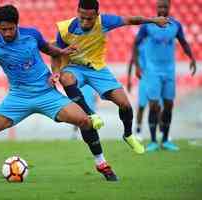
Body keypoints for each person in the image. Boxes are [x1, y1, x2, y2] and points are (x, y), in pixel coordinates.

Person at [0, 4, 117, 182]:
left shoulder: (32, 34)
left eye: (10, 29)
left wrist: (61, 52)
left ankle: (101, 163)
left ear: (17, 24)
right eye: (3, 29)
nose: (7, 33)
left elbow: (48, 49)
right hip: (18, 98)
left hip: (46, 94)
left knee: (85, 120)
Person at [51, 0, 169, 161]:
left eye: (89, 19)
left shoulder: (104, 21)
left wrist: (154, 20)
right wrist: (56, 72)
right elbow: (56, 54)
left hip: (98, 69)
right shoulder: (65, 29)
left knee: (125, 104)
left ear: (97, 15)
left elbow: (131, 20)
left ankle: (128, 135)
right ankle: (91, 114)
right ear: (77, 11)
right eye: (82, 17)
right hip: (74, 67)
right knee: (66, 78)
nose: (85, 22)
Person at [133, 0, 196, 152]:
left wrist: (191, 58)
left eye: (165, 7)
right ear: (156, 7)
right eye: (160, 6)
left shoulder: (175, 25)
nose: (162, 9)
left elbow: (183, 42)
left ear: (169, 7)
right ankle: (154, 141)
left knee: (169, 105)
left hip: (169, 71)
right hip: (152, 71)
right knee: (154, 105)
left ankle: (166, 139)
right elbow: (136, 43)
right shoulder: (147, 25)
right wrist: (137, 66)